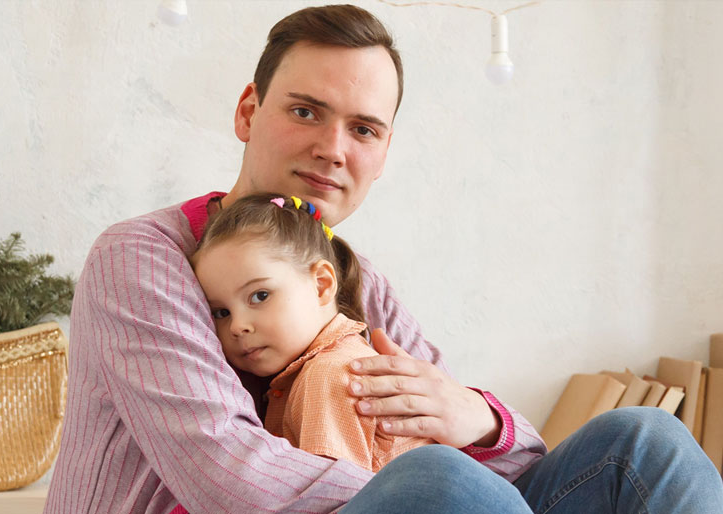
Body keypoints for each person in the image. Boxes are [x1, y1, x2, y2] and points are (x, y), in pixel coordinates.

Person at [45, 4, 723, 514]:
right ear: (248, 112)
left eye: (363, 128)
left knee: (645, 443)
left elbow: (512, 464)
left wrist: (479, 419)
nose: (333, 148)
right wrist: (421, 486)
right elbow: (225, 474)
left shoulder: (362, 286)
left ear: (383, 151)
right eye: (306, 112)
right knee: (444, 482)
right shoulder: (144, 258)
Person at [190, 192, 433, 473]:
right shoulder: (325, 365)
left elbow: (336, 498)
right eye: (221, 313)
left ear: (321, 285)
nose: (237, 326)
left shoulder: (327, 375)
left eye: (260, 295)